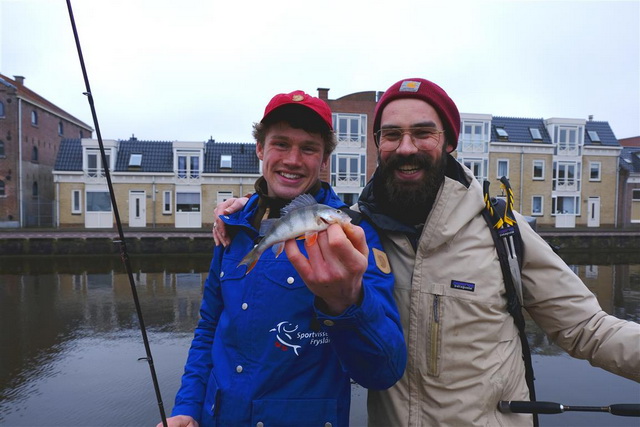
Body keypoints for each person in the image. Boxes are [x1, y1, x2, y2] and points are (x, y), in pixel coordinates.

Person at [213, 78, 640, 426]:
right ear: (378, 144)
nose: (406, 147)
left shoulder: (502, 228)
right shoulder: (356, 229)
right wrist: (243, 211)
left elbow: (589, 329)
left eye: (423, 133)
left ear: (449, 141)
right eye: (392, 134)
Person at [161, 90, 406, 427]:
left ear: (323, 161)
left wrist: (347, 302)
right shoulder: (232, 227)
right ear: (260, 149)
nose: (293, 159)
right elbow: (208, 329)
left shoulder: (355, 236)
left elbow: (384, 371)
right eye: (280, 144)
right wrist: (186, 407)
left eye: (308, 148)